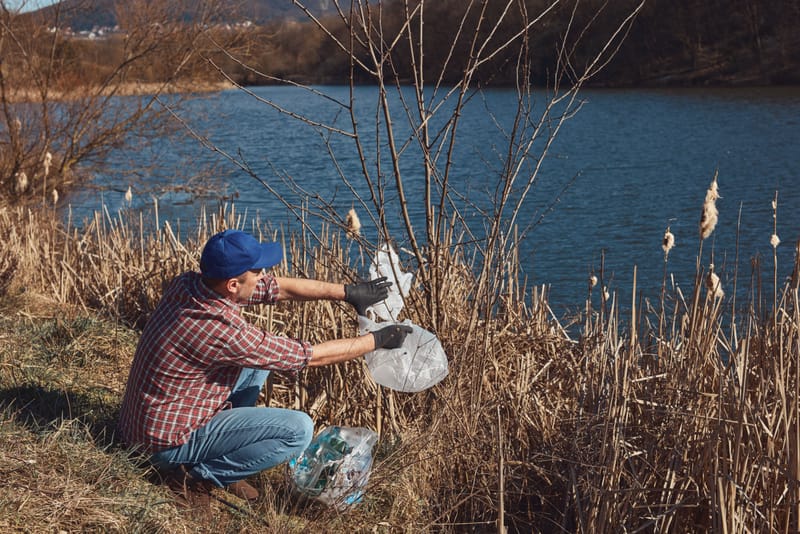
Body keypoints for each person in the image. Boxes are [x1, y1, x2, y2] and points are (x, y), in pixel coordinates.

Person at [117, 229, 411, 513]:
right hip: (163, 446)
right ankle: (199, 477)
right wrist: (376, 340)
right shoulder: (222, 331)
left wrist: (348, 293)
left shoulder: (190, 284)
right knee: (298, 431)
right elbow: (311, 356)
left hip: (149, 421)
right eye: (257, 272)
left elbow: (280, 287)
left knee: (254, 367)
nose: (263, 277)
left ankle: (221, 459)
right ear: (233, 284)